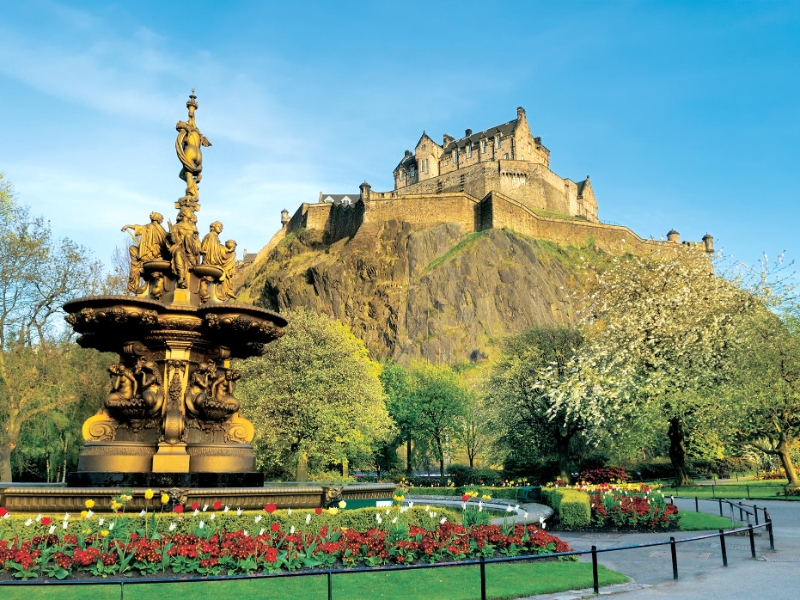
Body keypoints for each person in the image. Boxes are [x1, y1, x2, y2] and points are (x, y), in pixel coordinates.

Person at [121, 212, 167, 294]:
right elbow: (139, 227)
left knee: (135, 265)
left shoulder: (158, 229)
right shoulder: (148, 227)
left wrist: (128, 226)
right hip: (146, 254)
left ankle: (133, 286)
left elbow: (165, 241)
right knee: (132, 249)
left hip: (154, 255)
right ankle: (132, 286)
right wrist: (128, 226)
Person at [167, 208, 201, 288]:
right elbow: (174, 241)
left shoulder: (193, 227)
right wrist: (171, 233)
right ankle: (181, 277)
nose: (191, 214)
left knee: (188, 237)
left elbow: (196, 240)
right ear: (184, 214)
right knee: (178, 253)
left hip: (191, 249)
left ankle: (190, 256)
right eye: (189, 212)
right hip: (179, 246)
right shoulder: (176, 226)